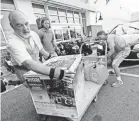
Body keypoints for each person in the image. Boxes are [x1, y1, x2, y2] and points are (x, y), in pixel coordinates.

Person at [7, 10, 75, 85]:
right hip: (23, 70)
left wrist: (52, 57)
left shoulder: (33, 34)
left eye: (26, 24)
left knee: (47, 85)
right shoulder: (12, 42)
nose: (26, 29)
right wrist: (56, 73)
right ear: (11, 26)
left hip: (36, 63)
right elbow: (28, 64)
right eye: (19, 25)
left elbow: (41, 49)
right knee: (36, 88)